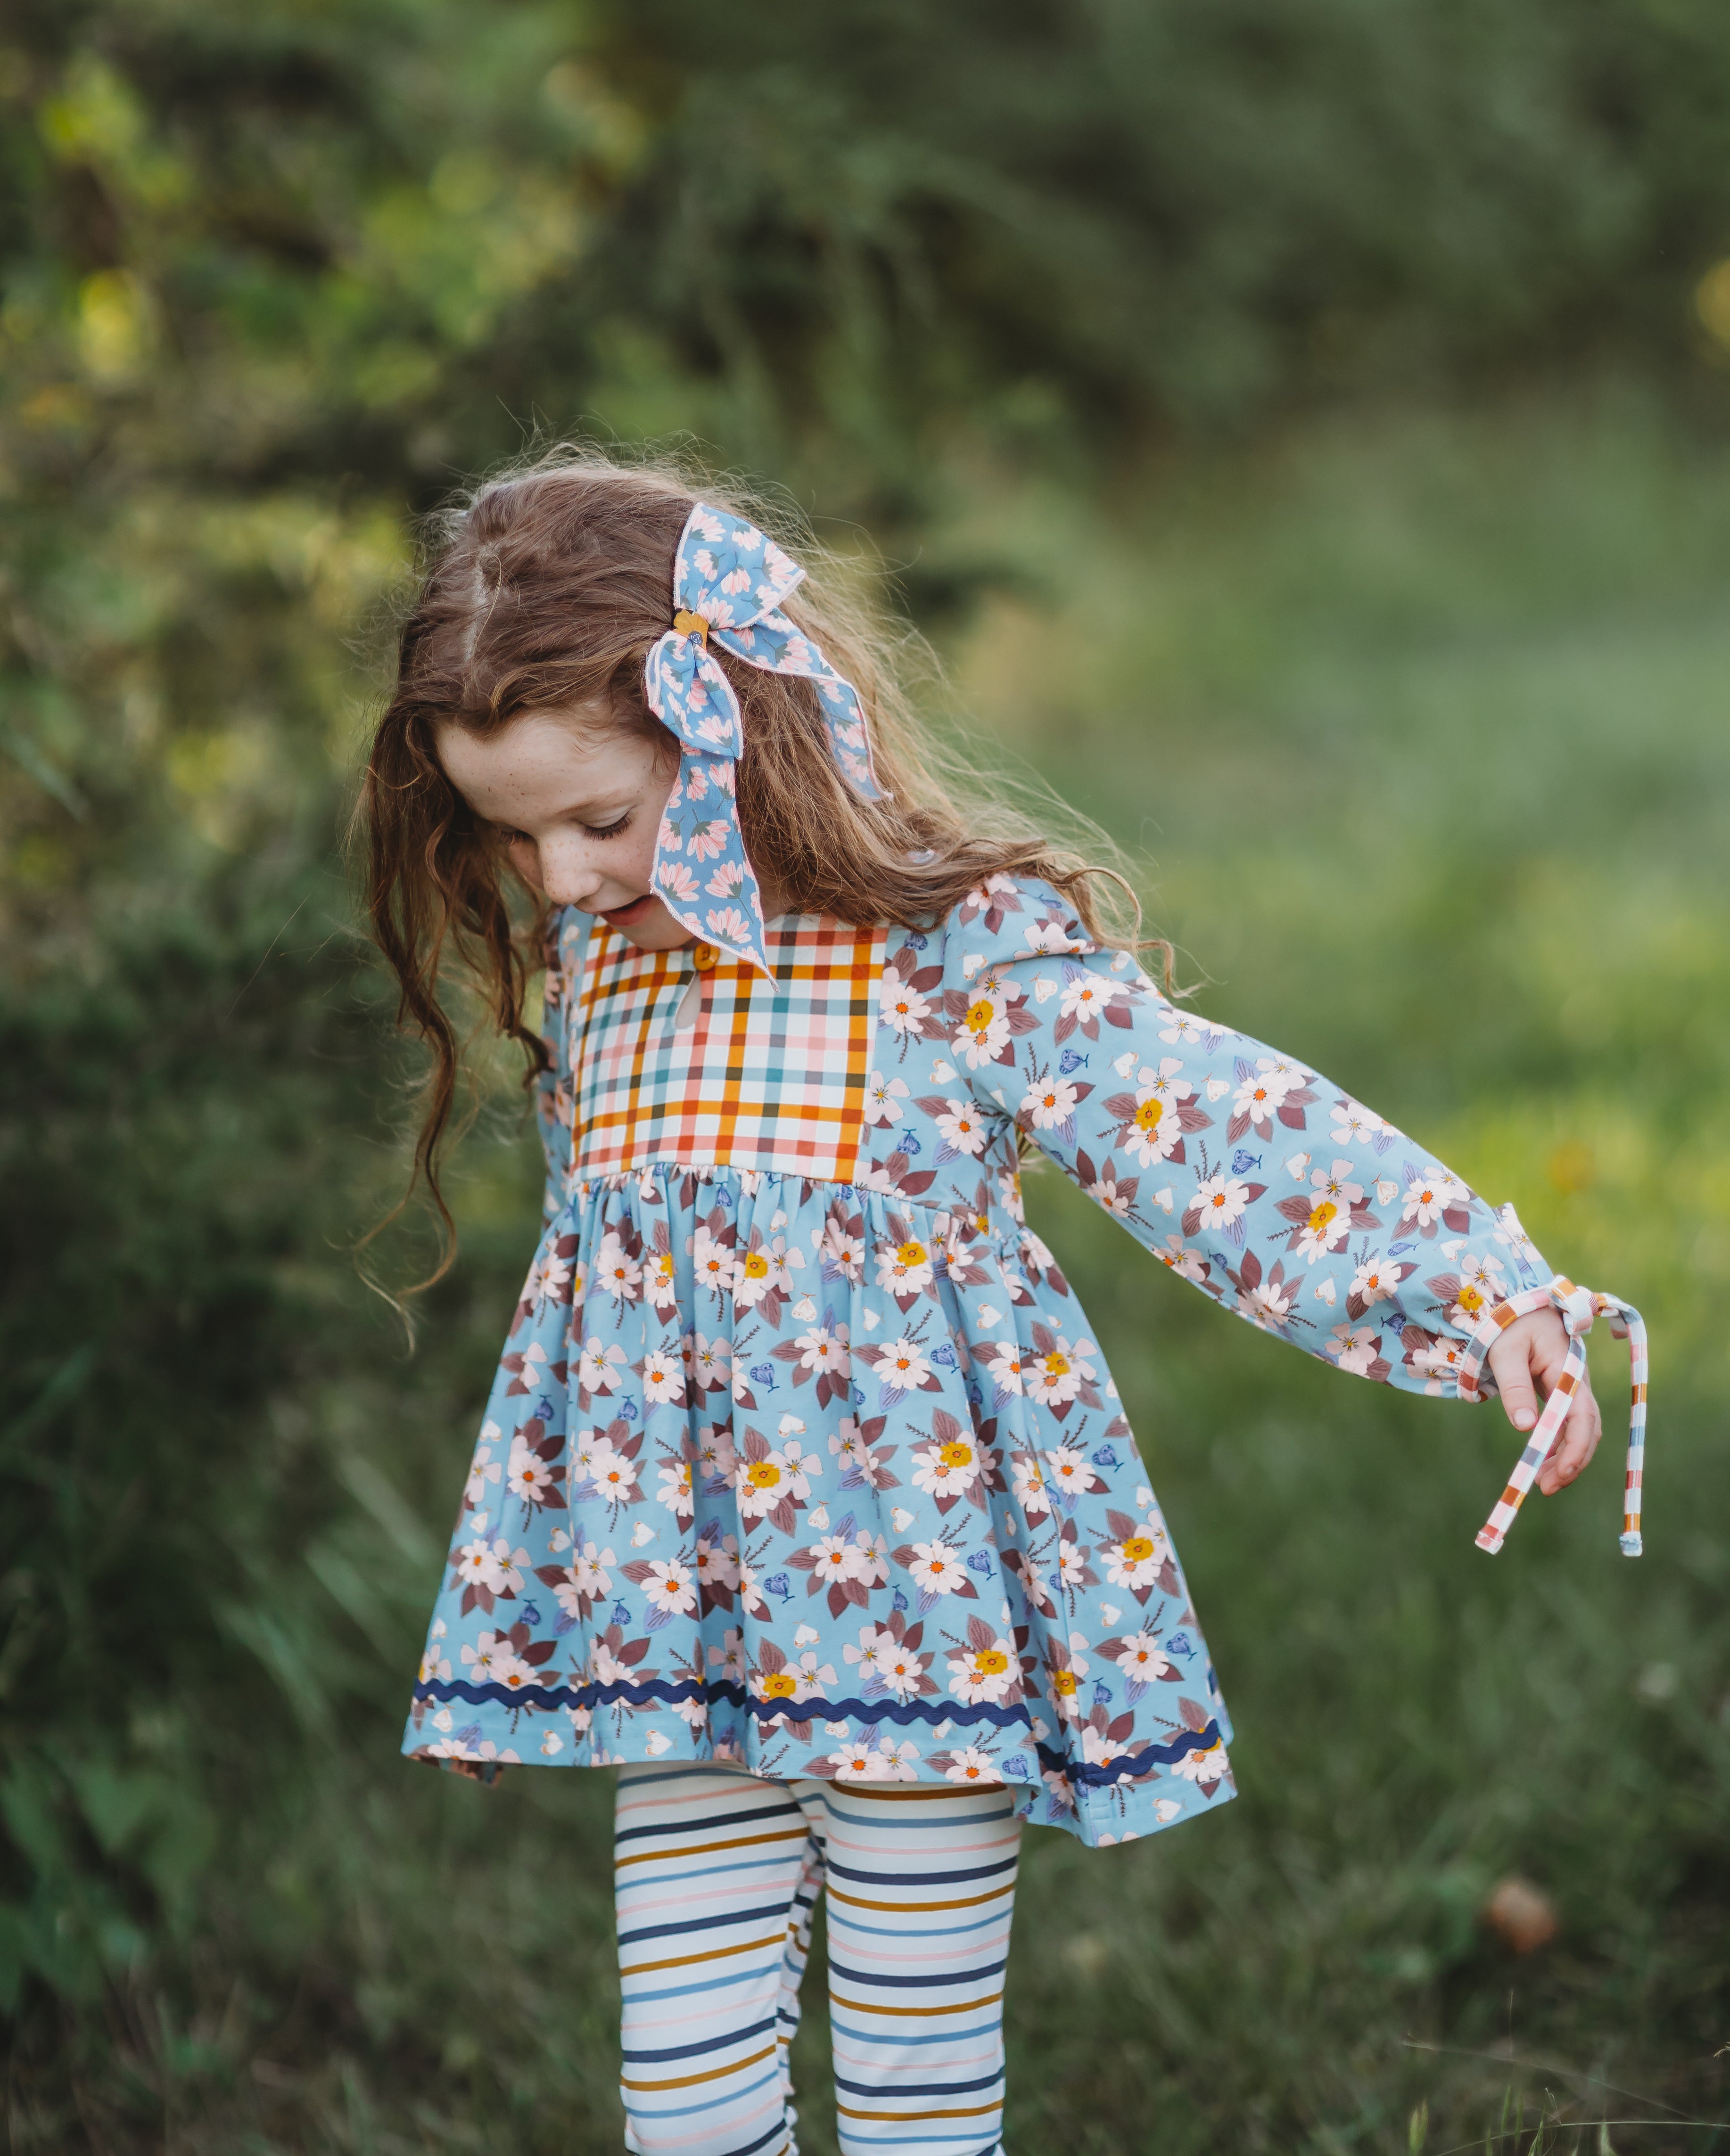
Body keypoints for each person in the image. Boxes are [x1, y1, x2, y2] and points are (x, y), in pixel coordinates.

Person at [361, 454, 1646, 2156]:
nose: (562, 881)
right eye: (513, 836)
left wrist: (1481, 1290)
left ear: (739, 725)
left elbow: (1199, 1122)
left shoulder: (947, 950)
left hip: (919, 1621)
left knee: (913, 2080)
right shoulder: (609, 982)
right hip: (680, 1632)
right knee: (677, 2083)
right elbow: (616, 1354)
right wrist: (526, 1611)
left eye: (600, 820)